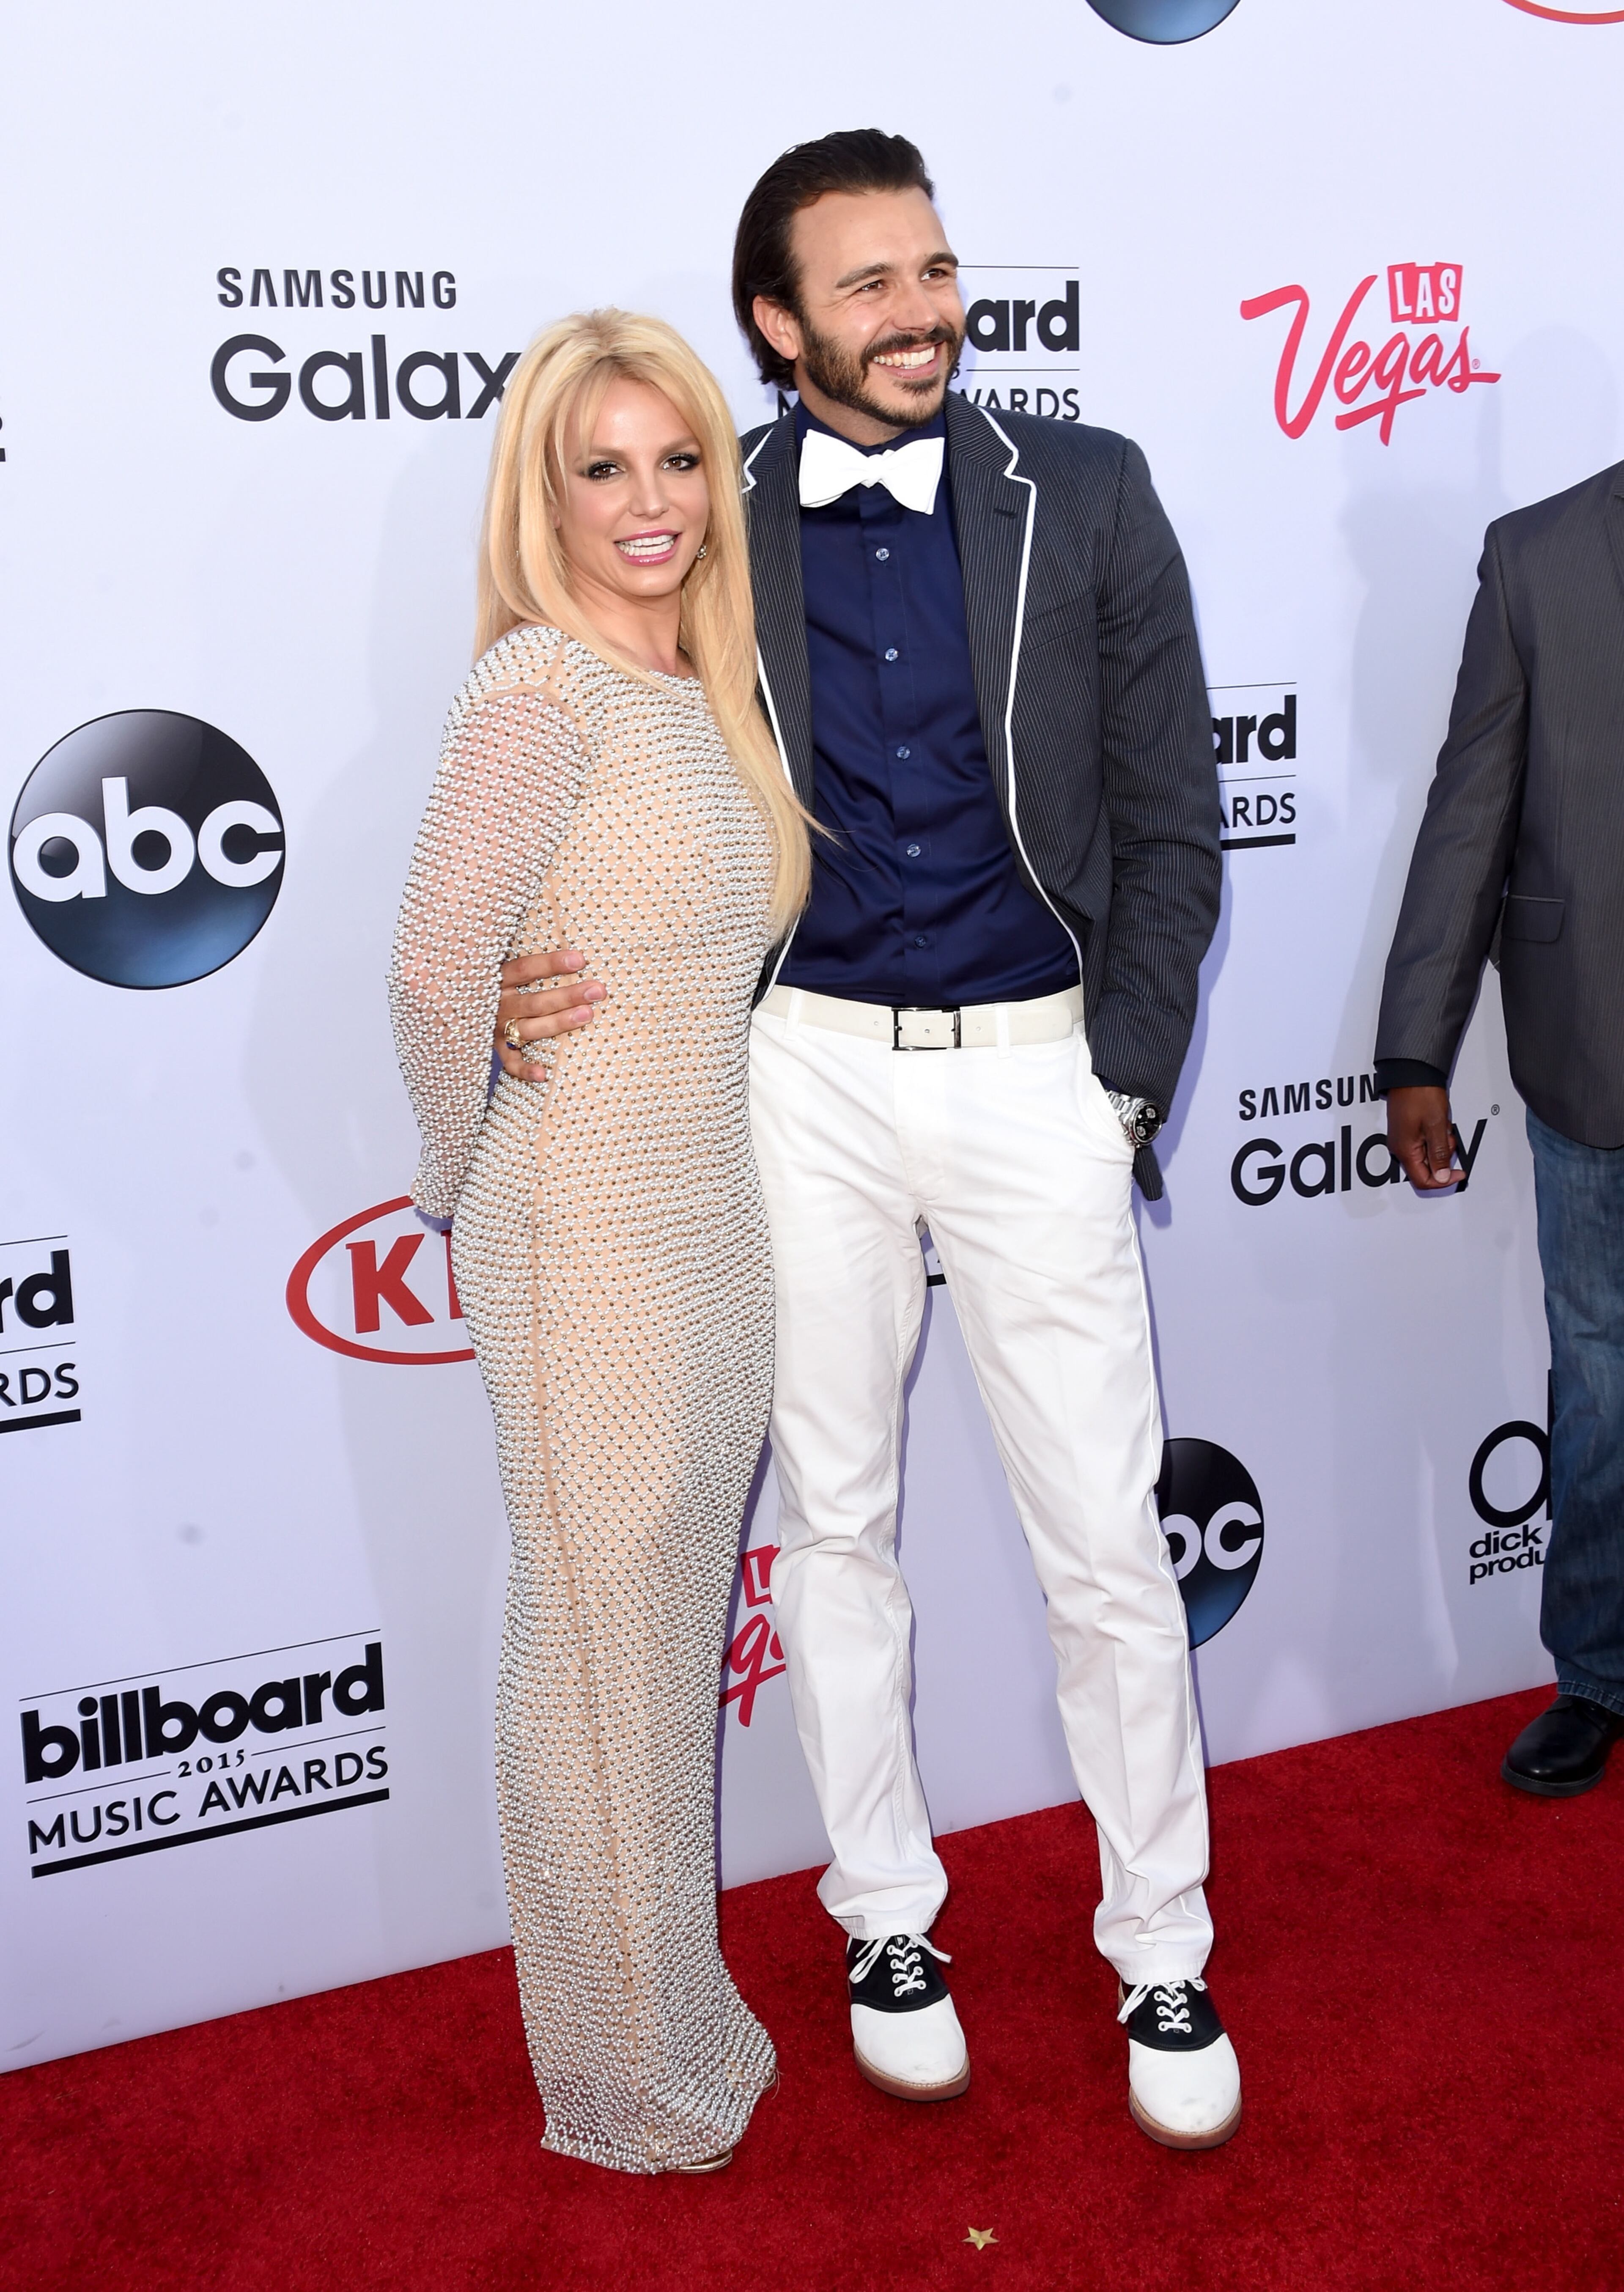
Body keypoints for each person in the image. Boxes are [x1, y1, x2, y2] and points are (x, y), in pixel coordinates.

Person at [494, 130, 1241, 2150]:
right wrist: (500, 971)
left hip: (1034, 1063)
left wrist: (1119, 1077)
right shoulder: (709, 513)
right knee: (834, 1520)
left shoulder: (1086, 490)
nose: (921, 313)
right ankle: (887, 1920)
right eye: (870, 286)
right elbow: (571, 735)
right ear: (778, 322)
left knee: (1108, 1538)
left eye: (935, 269)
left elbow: (1175, 819)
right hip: (797, 1069)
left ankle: (1162, 1941)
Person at [389, 308, 811, 2174]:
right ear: (543, 495)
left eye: (680, 459)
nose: (652, 500)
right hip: (579, 1233)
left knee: (651, 1640)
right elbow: (432, 963)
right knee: (591, 1650)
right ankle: (619, 2076)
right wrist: (455, 1153)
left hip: (706, 1216)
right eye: (604, 466)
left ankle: (677, 2005)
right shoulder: (539, 689)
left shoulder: (699, 683)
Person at [1376, 459, 1624, 1801]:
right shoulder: (1538, 557)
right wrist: (1418, 1046)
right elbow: (1472, 804)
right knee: (1600, 1385)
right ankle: (1596, 1673)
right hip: (1596, 1049)